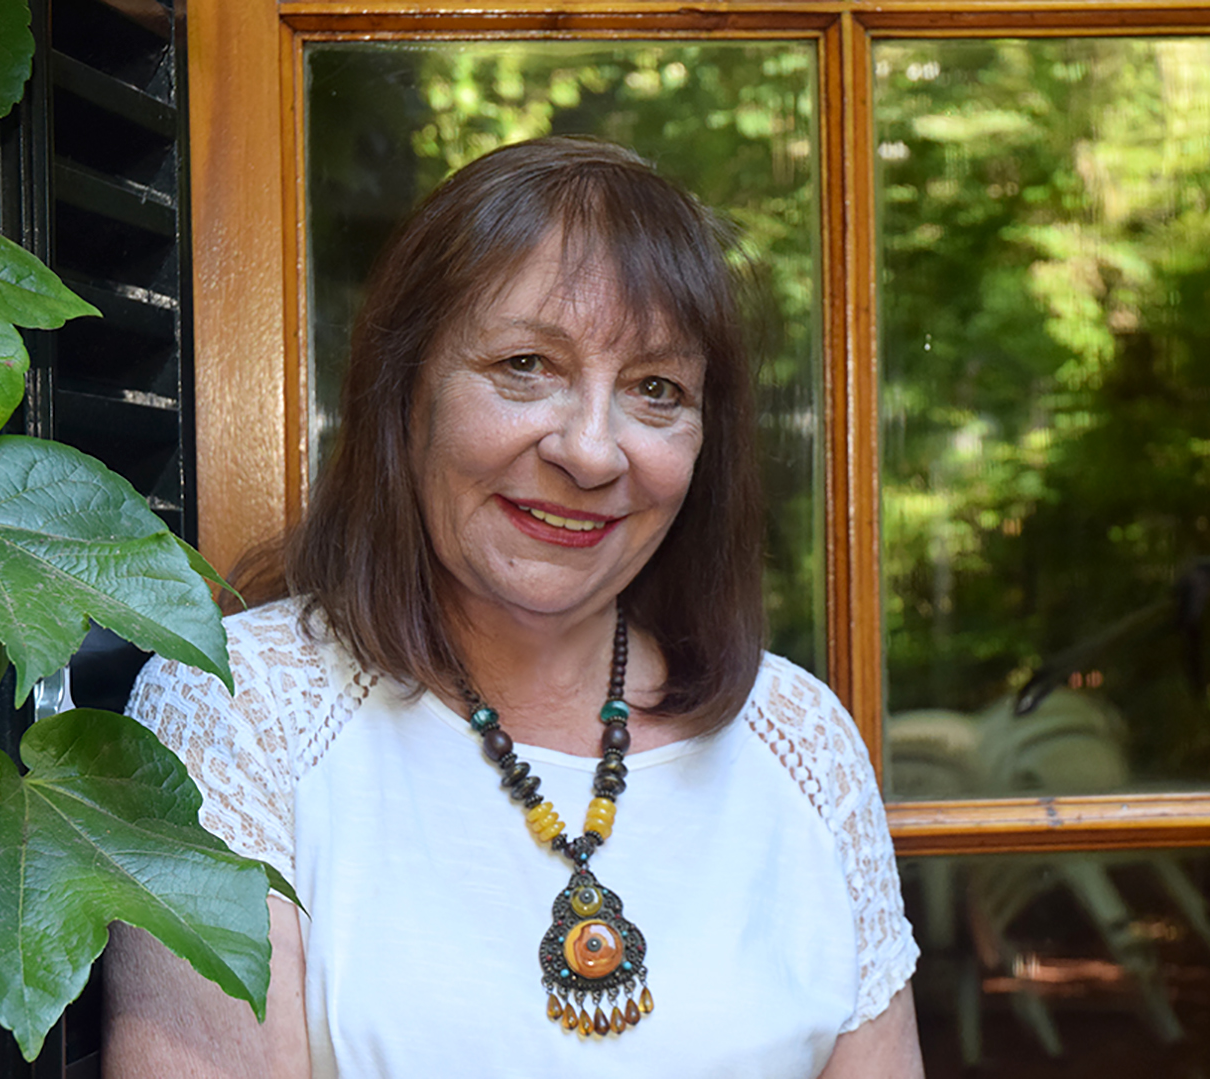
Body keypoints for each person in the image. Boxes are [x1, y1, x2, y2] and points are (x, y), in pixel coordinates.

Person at [103, 136, 923, 1079]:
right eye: (527, 363)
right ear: (404, 390)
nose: (592, 451)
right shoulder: (240, 711)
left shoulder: (803, 740)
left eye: (657, 390)